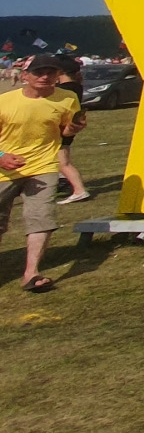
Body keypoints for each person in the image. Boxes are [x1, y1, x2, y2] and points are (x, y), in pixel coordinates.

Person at [0, 55, 85, 292]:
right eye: (39, 72)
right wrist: (2, 156)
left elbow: (65, 130)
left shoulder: (67, 98)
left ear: (58, 75)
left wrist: (73, 128)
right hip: (4, 169)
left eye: (50, 72)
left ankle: (31, 274)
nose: (45, 77)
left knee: (41, 217)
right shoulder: (5, 101)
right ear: (25, 76)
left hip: (43, 166)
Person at [51, 55, 89, 204]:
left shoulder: (64, 89)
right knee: (60, 161)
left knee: (63, 163)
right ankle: (62, 182)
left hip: (63, 129)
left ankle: (79, 190)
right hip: (68, 127)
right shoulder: (75, 86)